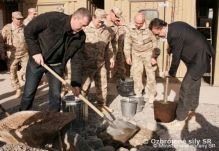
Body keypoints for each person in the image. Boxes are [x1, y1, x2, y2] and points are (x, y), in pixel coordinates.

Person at [19, 8, 92, 112]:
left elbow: (77, 61)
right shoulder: (52, 18)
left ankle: (54, 121)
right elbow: (29, 30)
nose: (83, 28)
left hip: (57, 65)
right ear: (75, 18)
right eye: (83, 25)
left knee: (55, 97)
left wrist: (76, 84)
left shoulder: (80, 37)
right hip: (38, 61)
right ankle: (22, 119)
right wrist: (35, 52)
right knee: (28, 94)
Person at [149, 18, 215, 126]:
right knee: (194, 85)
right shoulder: (174, 27)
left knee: (186, 87)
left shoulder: (173, 34)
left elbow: (177, 57)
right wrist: (171, 48)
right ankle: (192, 111)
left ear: (160, 28)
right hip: (198, 56)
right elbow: (182, 41)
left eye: (157, 34)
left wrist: (170, 73)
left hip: (199, 60)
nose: (157, 37)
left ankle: (181, 118)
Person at [81, 9, 115, 111]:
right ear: (94, 17)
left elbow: (109, 45)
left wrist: (111, 58)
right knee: (84, 86)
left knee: (102, 86)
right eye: (99, 21)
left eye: (102, 21)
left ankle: (102, 105)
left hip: (101, 63)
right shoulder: (84, 29)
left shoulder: (106, 30)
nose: (101, 24)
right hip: (87, 64)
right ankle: (81, 105)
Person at [124, 12, 159, 103]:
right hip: (136, 53)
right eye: (137, 23)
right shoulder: (130, 27)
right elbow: (127, 42)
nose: (138, 25)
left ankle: (151, 94)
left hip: (148, 53)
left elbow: (155, 43)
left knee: (150, 74)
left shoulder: (150, 27)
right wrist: (128, 56)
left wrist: (154, 57)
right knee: (136, 74)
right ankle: (138, 92)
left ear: (144, 21)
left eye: (140, 23)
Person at [1, 11, 28, 98]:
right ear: (12, 18)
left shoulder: (25, 27)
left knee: (29, 71)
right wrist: (2, 52)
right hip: (12, 55)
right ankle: (18, 89)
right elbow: (1, 41)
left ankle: (28, 89)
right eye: (18, 19)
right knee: (12, 73)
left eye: (21, 19)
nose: (20, 21)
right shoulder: (7, 28)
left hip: (25, 53)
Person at [105, 6, 127, 81]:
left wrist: (122, 25)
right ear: (111, 12)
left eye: (119, 17)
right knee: (108, 71)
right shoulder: (104, 22)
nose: (117, 18)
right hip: (107, 51)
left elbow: (125, 34)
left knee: (121, 69)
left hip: (118, 50)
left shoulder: (117, 23)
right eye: (116, 16)